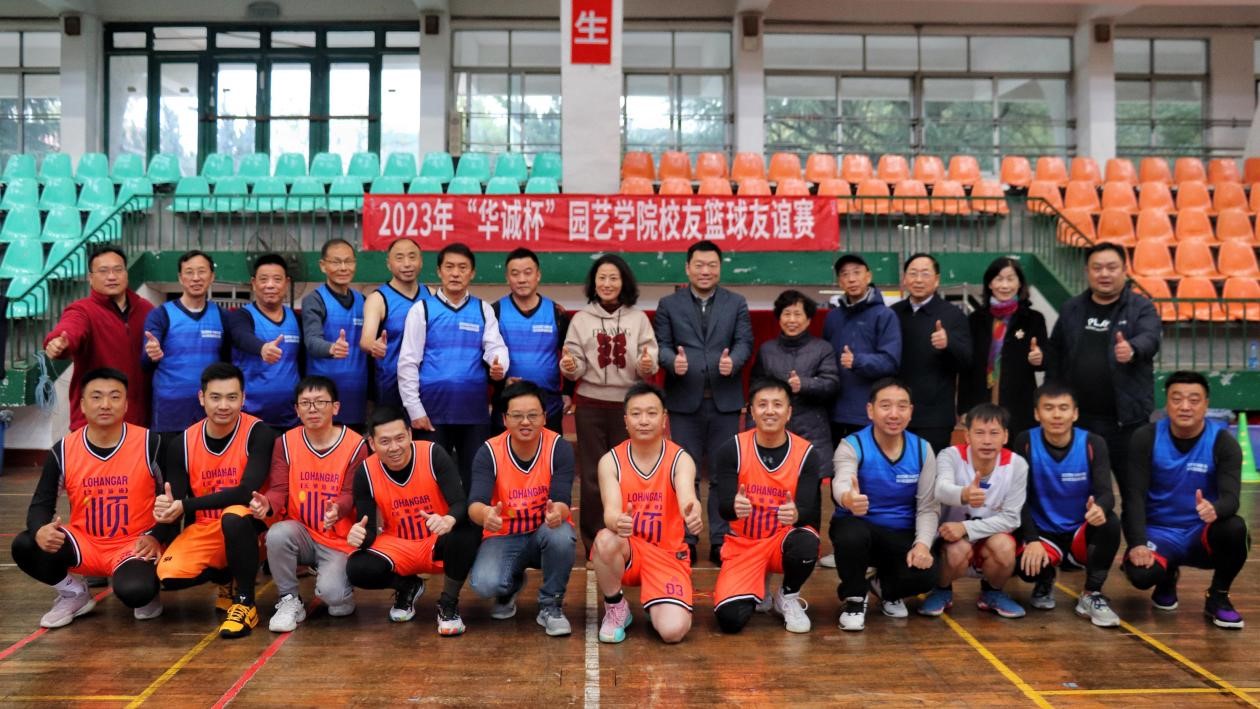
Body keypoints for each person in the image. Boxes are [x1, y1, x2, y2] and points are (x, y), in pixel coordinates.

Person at [10, 368, 167, 627]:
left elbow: (171, 501)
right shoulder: (64, 449)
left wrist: (156, 535)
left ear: (126, 404)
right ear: (82, 405)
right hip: (86, 543)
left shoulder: (151, 443)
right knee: (25, 544)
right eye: (96, 397)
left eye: (114, 397)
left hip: (135, 544)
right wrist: (40, 529)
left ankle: (147, 590)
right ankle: (74, 593)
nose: (105, 404)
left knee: (136, 592)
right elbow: (40, 505)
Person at [154, 363, 277, 638]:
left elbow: (246, 492)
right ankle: (226, 576)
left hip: (252, 527)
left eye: (232, 397)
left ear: (243, 398)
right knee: (169, 574)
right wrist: (165, 509)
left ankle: (245, 602)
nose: (223, 405)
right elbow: (176, 498)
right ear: (202, 398)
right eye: (215, 397)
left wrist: (186, 506)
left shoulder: (259, 433)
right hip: (206, 529)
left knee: (233, 516)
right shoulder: (182, 443)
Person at [1121, 371, 1248, 629]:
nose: (1185, 406)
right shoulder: (1146, 437)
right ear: (1166, 403)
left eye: (1194, 400)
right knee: (1141, 575)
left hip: (1200, 533)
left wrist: (1216, 508)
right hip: (1159, 533)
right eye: (1177, 399)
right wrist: (1137, 544)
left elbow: (1231, 498)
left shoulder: (1223, 442)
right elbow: (1133, 497)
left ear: (1206, 404)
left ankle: (1218, 596)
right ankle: (1166, 577)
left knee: (1235, 528)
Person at [653, 240, 753, 565]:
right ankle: (687, 537)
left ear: (720, 268)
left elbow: (744, 341)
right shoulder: (669, 304)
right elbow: (661, 344)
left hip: (725, 401)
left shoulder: (736, 303)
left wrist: (733, 362)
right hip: (684, 401)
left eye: (712, 265)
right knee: (687, 474)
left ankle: (721, 538)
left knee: (724, 474)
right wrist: (672, 362)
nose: (705, 271)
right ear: (687, 268)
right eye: (699, 265)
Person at [344, 407, 482, 635]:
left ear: (410, 434)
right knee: (357, 568)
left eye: (400, 438)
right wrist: (358, 536)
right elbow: (368, 530)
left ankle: (448, 603)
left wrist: (448, 519)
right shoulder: (365, 472)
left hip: (437, 539)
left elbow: (460, 503)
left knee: (467, 530)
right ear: (372, 443)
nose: (394, 447)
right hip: (398, 544)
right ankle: (408, 586)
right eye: (385, 441)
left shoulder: (432, 454)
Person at [249, 376, 370, 633]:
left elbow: (351, 492)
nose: (312, 409)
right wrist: (267, 504)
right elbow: (279, 489)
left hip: (337, 539)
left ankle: (341, 587)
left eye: (320, 402)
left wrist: (338, 508)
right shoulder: (285, 443)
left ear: (335, 407)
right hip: (301, 532)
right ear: (297, 409)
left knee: (334, 599)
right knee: (277, 533)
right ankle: (289, 600)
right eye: (305, 403)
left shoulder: (355, 444)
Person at [592, 383, 704, 644]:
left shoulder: (680, 459)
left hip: (667, 555)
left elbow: (688, 497)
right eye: (636, 413)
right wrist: (618, 521)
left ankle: (659, 601)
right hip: (631, 549)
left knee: (673, 632)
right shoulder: (611, 461)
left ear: (664, 419)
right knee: (605, 539)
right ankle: (616, 606)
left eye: (652, 413)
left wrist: (693, 512)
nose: (643, 420)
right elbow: (610, 512)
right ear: (626, 420)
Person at [561, 254, 658, 554]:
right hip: (590, 405)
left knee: (627, 472)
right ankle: (594, 542)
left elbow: (649, 360)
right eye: (601, 278)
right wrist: (569, 366)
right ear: (594, 283)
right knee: (592, 475)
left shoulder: (638, 319)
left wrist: (646, 364)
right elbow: (573, 363)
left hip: (627, 407)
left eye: (613, 278)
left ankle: (630, 539)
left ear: (623, 282)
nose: (607, 283)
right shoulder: (581, 319)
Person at [711, 378, 822, 634]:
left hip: (780, 541)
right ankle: (758, 583)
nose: (769, 411)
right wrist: (734, 506)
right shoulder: (733, 449)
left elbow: (811, 513)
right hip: (744, 545)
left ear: (789, 412)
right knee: (730, 620)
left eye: (777, 404)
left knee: (806, 542)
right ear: (751, 411)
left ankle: (788, 596)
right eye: (762, 405)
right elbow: (723, 508)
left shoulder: (806, 453)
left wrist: (796, 513)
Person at [1047, 242, 1161, 491]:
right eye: (1097, 268)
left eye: (1111, 267)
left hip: (1127, 422)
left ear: (1124, 270)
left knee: (1135, 492)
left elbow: (1150, 338)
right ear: (1087, 271)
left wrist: (1132, 349)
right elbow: (1056, 353)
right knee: (1081, 491)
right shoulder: (1071, 308)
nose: (1104, 274)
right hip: (1079, 422)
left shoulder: (1141, 307)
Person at [468, 381, 578, 636]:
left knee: (561, 535)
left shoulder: (558, 448)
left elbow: (562, 499)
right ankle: (510, 586)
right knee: (484, 584)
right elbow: (475, 503)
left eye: (532, 415)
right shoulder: (489, 451)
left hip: (544, 531)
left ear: (544, 417)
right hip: (504, 534)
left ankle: (551, 605)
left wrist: (557, 513)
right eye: (517, 416)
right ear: (505, 419)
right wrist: (486, 515)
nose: (525, 422)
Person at [398, 242, 509, 490]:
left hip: (473, 412)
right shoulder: (422, 310)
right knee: (431, 480)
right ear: (439, 271)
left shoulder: (483, 309)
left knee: (475, 479)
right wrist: (415, 409)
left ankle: (472, 517)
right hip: (432, 412)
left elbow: (496, 347)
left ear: (472, 273)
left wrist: (498, 364)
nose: (456, 273)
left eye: (462, 267)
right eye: (449, 267)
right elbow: (408, 362)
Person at [830, 378, 940, 631]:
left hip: (900, 533)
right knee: (850, 535)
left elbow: (928, 507)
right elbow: (841, 480)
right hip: (861, 528)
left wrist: (922, 545)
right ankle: (854, 598)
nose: (894, 414)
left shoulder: (923, 450)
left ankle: (883, 588)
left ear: (910, 411)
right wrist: (848, 498)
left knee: (929, 574)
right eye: (885, 406)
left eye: (902, 406)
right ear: (870, 410)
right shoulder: (852, 445)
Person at [1011, 383, 1121, 627]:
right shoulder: (1025, 441)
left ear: (1075, 413)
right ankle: (1044, 578)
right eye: (1049, 408)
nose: (1057, 415)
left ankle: (1091, 593)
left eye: (1063, 408)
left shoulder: (1093, 443)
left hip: (1079, 532)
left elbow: (1106, 493)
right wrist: (1032, 539)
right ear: (1037, 413)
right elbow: (1019, 498)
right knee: (1025, 568)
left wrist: (1099, 508)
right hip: (1044, 533)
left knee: (1111, 522)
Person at [922, 403, 1029, 619]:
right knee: (956, 550)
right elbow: (940, 490)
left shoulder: (1017, 464)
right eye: (979, 433)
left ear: (1005, 436)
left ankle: (992, 592)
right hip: (951, 539)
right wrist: (963, 494)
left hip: (988, 538)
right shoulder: (950, 455)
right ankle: (942, 590)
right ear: (967, 436)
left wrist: (965, 527)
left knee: (1005, 547)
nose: (987, 440)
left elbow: (1011, 519)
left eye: (994, 433)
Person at [43, 246, 155, 430]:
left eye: (118, 270)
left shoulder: (146, 308)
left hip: (139, 421)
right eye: (103, 271)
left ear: (126, 274)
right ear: (90, 278)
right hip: (94, 423)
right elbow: (70, 328)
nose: (111, 276)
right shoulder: (82, 310)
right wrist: (59, 342)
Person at [142, 250, 231, 443]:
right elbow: (145, 361)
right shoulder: (161, 314)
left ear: (212, 276)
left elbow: (228, 362)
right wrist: (151, 353)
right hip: (169, 414)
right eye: (189, 272)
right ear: (180, 278)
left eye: (202, 271)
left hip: (210, 413)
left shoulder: (222, 316)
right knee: (170, 462)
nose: (196, 278)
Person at [890, 253, 971, 453]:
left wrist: (949, 343)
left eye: (925, 274)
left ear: (936, 280)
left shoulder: (953, 315)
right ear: (904, 279)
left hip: (934, 417)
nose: (918, 280)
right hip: (895, 413)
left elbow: (967, 360)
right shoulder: (892, 313)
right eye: (913, 273)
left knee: (930, 468)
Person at [959, 257, 1047, 437]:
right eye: (999, 279)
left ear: (1019, 283)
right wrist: (964, 408)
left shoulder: (1033, 319)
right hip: (981, 405)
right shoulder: (975, 320)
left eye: (1010, 279)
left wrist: (1040, 358)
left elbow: (1045, 361)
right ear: (990, 283)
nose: (1005, 285)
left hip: (1019, 407)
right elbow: (967, 368)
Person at [823, 253, 901, 446]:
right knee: (839, 464)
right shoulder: (833, 317)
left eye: (857, 272)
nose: (851, 279)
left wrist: (857, 361)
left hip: (868, 413)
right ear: (839, 281)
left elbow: (891, 362)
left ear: (868, 276)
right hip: (835, 413)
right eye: (845, 274)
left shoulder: (885, 315)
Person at [491, 248, 571, 435]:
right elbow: (485, 359)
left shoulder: (556, 312)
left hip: (549, 405)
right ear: (507, 278)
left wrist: (568, 392)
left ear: (538, 275)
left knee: (549, 452)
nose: (522, 279)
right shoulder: (494, 312)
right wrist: (502, 382)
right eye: (515, 274)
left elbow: (570, 355)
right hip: (508, 404)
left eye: (528, 273)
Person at [750, 289, 839, 454]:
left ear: (808, 320)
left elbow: (831, 384)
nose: (792, 320)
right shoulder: (766, 350)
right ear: (779, 318)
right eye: (787, 314)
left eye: (797, 314)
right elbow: (755, 388)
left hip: (812, 429)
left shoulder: (823, 349)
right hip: (773, 429)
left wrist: (803, 384)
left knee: (811, 469)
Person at [227, 253, 302, 431]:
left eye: (277, 279)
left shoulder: (297, 319)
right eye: (263, 279)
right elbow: (241, 336)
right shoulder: (242, 316)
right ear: (254, 283)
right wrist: (262, 348)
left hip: (291, 418)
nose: (270, 285)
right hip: (249, 418)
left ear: (286, 283)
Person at [302, 238, 368, 429]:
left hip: (357, 395)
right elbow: (312, 340)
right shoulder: (314, 300)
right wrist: (331, 348)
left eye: (348, 261)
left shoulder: (364, 301)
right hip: (322, 397)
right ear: (323, 266)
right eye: (336, 262)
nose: (343, 267)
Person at [360, 237, 431, 411]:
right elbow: (366, 340)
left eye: (412, 257)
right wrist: (374, 346)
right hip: (391, 385)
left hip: (427, 383)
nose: (407, 264)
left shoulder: (433, 295)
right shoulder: (377, 299)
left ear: (421, 261)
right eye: (399, 258)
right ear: (388, 264)